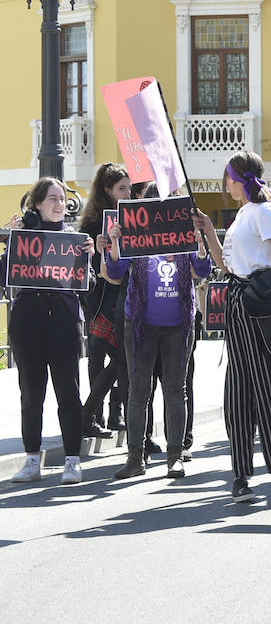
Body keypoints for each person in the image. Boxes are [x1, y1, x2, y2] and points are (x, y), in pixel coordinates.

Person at [194, 151, 271, 503]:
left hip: (258, 309)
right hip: (237, 306)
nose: (224, 182)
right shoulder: (244, 213)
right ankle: (240, 476)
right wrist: (209, 231)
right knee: (237, 396)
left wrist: (260, 285)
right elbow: (227, 267)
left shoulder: (264, 211)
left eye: (226, 176)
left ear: (237, 179)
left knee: (264, 391)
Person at [102, 183, 212, 480]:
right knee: (138, 392)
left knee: (176, 392)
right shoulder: (134, 236)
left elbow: (203, 271)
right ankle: (135, 457)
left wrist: (200, 245)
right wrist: (114, 244)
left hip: (178, 325)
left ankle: (174, 457)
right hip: (139, 326)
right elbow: (113, 274)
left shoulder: (182, 235)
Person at [6, 179, 94, 486]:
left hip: (64, 323)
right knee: (31, 394)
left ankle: (72, 460)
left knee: (68, 393)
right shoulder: (24, 237)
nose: (59, 204)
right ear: (37, 204)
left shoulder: (74, 239)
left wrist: (88, 258)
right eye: (52, 199)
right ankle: (32, 460)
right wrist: (14, 239)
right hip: (28, 321)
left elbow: (89, 287)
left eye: (62, 198)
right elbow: (4, 273)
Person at [77, 162, 131, 439]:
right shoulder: (92, 223)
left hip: (122, 297)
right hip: (100, 300)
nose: (127, 194)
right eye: (121, 189)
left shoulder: (130, 219)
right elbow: (84, 265)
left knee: (121, 360)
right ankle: (91, 416)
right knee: (108, 358)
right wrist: (97, 250)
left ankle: (110, 414)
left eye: (129, 188)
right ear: (107, 190)